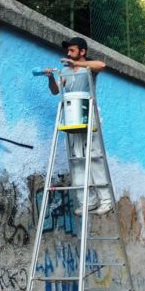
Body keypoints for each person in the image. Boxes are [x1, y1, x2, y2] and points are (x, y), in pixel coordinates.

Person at [44, 36, 112, 215]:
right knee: (77, 159)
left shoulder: (89, 68)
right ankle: (87, 201)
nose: (68, 53)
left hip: (89, 115)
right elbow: (55, 91)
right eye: (68, 51)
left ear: (82, 52)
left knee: (94, 156)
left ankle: (106, 200)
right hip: (72, 117)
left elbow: (102, 65)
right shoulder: (65, 72)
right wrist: (51, 78)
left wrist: (78, 64)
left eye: (72, 50)